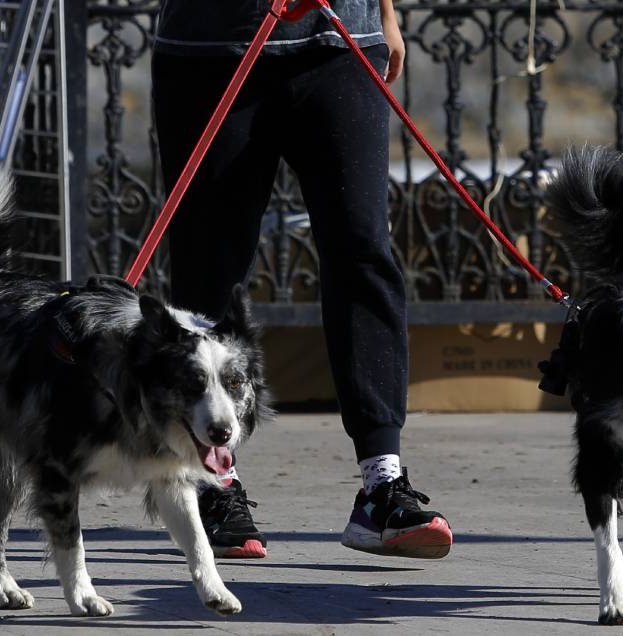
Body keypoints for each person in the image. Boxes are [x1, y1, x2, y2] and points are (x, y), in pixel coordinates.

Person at [151, 0, 453, 560]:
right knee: (209, 269)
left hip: (341, 43)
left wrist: (385, 14)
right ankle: (213, 482)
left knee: (364, 253)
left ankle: (382, 485)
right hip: (213, 49)